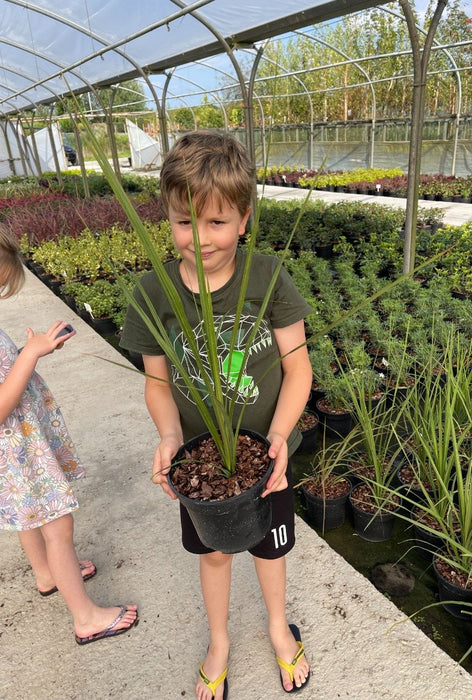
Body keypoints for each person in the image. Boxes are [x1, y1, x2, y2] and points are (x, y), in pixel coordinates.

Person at [120, 130, 312, 699]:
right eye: (184, 222)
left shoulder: (267, 278)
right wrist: (169, 435)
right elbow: (157, 383)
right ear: (168, 218)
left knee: (271, 548)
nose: (199, 239)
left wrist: (278, 438)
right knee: (213, 553)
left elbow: (298, 369)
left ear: (244, 220)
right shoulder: (151, 292)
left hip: (265, 455)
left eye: (217, 223)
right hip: (199, 463)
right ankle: (220, 640)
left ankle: (279, 629)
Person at [0, 225, 138, 645]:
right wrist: (30, 354)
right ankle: (87, 617)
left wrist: (35, 349)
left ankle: (47, 574)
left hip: (19, 452)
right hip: (17, 452)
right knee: (58, 525)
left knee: (32, 519)